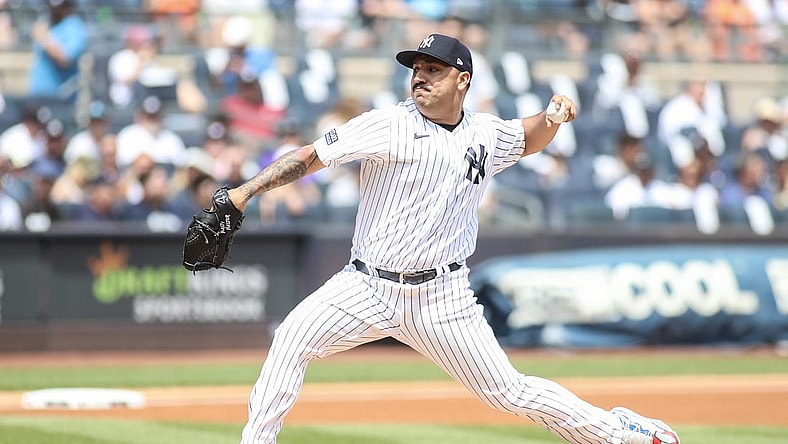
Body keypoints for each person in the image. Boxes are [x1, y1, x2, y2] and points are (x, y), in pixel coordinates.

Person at [219, 34, 681, 444]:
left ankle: (623, 434)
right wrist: (242, 194)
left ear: (462, 80)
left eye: (432, 69)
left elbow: (528, 136)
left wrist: (552, 116)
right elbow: (310, 156)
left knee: (510, 392)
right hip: (365, 286)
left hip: (443, 297)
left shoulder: (483, 133)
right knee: (292, 340)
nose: (419, 77)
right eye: (415, 70)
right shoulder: (389, 124)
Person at [28, 0, 88, 101]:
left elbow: (65, 58)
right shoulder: (52, 25)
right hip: (39, 95)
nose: (53, 11)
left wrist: (44, 38)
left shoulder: (74, 27)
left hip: (59, 98)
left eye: (58, 8)